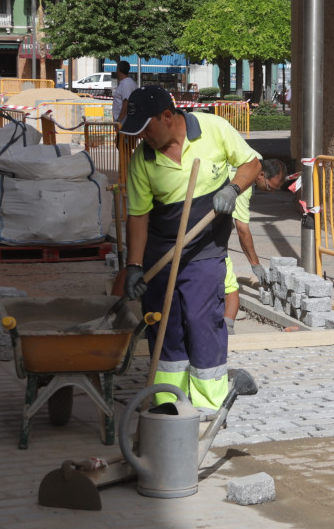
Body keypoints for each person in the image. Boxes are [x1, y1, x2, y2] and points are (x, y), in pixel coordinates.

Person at [119, 85, 260, 413]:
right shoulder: (144, 158)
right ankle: (170, 406)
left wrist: (233, 188)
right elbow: (138, 217)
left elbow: (251, 164)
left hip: (205, 251)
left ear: (167, 117)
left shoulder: (212, 129)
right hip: (163, 253)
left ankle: (210, 406)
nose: (141, 138)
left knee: (201, 324)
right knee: (165, 327)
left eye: (145, 129)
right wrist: (135, 266)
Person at [222, 158, 288, 326]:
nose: (271, 192)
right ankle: (226, 324)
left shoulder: (248, 161)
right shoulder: (243, 187)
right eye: (269, 187)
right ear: (260, 175)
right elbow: (243, 230)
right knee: (226, 276)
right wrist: (255, 265)